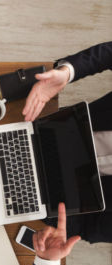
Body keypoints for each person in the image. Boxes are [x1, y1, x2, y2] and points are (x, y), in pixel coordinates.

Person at [23, 41, 112, 243]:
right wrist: (68, 72)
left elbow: (89, 228)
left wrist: (60, 227)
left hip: (43, 197)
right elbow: (108, 54)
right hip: (46, 127)